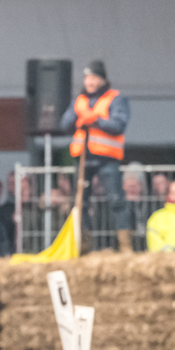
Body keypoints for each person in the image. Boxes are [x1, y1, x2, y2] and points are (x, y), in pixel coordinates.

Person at [61, 60, 131, 251]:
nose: (89, 82)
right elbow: (64, 124)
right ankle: (84, 245)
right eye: (87, 78)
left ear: (102, 80)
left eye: (93, 78)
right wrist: (78, 119)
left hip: (107, 159)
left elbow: (118, 124)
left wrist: (96, 121)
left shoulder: (116, 99)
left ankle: (125, 245)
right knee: (80, 202)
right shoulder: (79, 101)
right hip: (84, 159)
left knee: (116, 200)